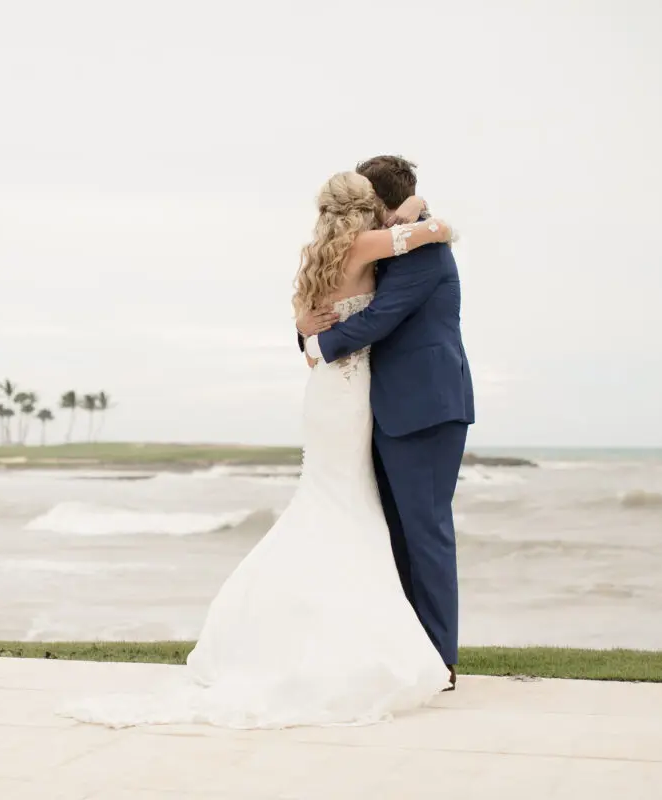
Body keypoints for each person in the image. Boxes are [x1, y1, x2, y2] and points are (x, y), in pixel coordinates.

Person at [58, 167, 459, 729]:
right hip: (350, 395)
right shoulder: (374, 243)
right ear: (368, 208)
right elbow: (439, 236)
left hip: (333, 398)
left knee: (340, 508)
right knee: (351, 510)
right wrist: (417, 213)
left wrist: (310, 334)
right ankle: (399, 649)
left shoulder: (319, 251)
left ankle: (326, 635)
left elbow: (310, 320)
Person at [299, 155, 474, 690]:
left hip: (425, 409)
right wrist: (306, 328)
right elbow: (328, 299)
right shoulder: (381, 244)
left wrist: (319, 342)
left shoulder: (424, 252)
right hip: (377, 410)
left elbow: (379, 317)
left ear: (377, 204)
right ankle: (404, 649)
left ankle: (440, 661)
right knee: (393, 536)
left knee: (426, 535)